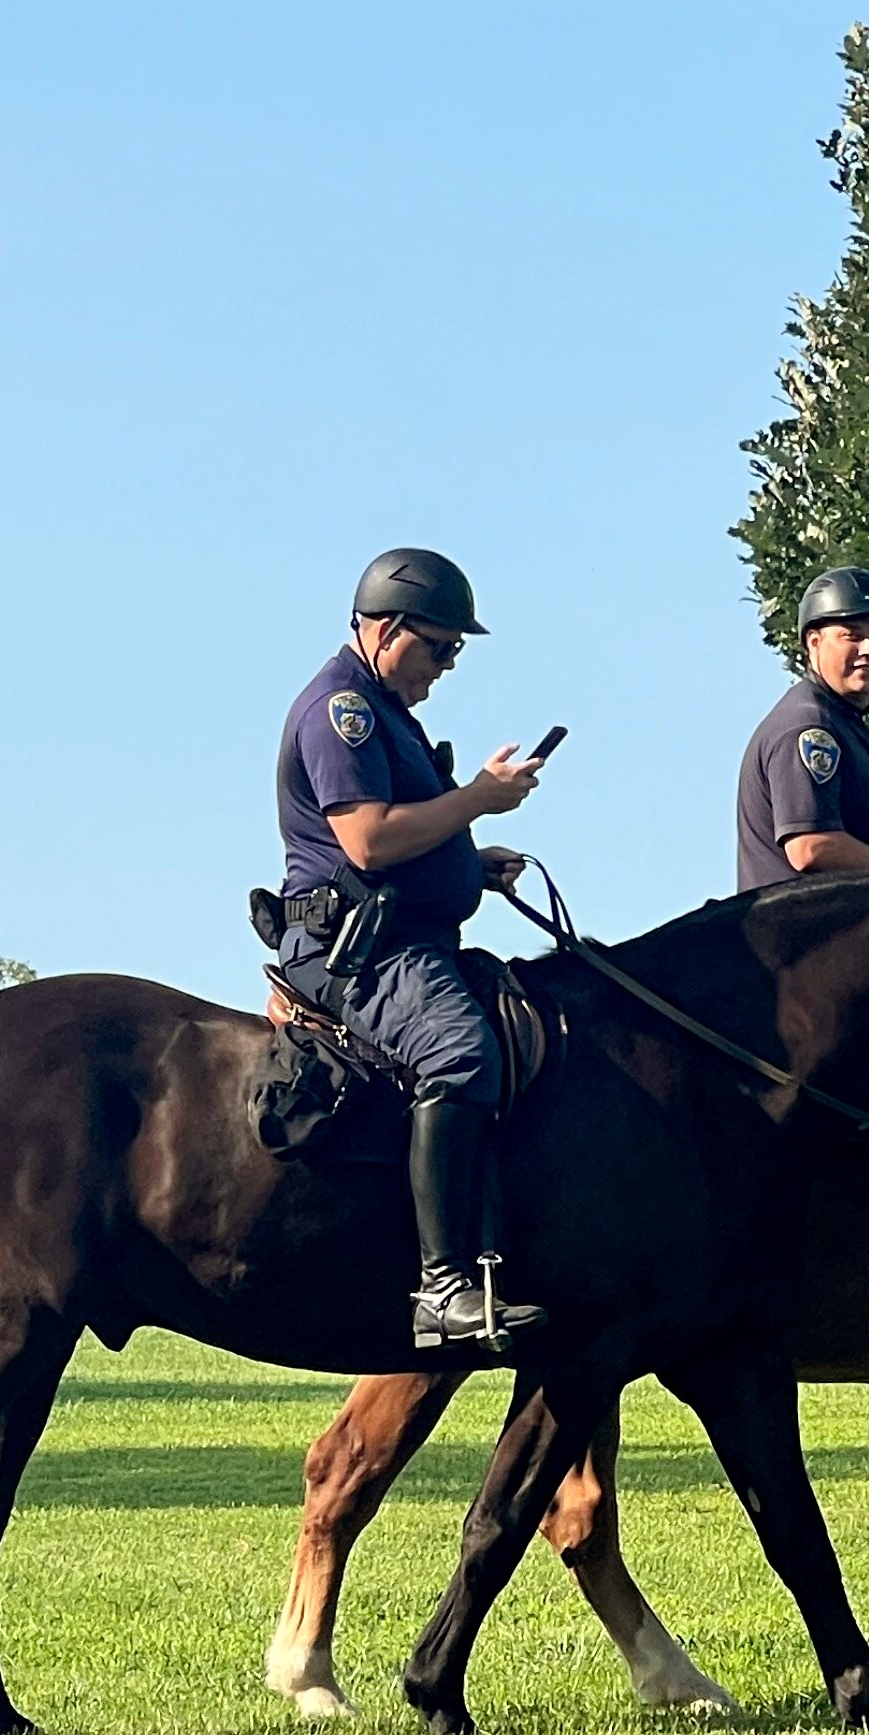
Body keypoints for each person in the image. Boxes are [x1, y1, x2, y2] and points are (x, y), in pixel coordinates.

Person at [275, 547, 551, 1351]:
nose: (445, 664)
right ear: (387, 629)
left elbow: (406, 840)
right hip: (360, 950)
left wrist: (468, 861)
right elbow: (368, 839)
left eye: (454, 650)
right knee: (460, 1055)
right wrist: (477, 800)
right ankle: (443, 1287)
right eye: (438, 647)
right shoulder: (342, 711)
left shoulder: (387, 710)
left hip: (401, 934)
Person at [736, 565, 869, 890]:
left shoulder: (846, 725)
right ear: (814, 643)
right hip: (807, 921)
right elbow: (811, 848)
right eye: (853, 636)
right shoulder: (809, 726)